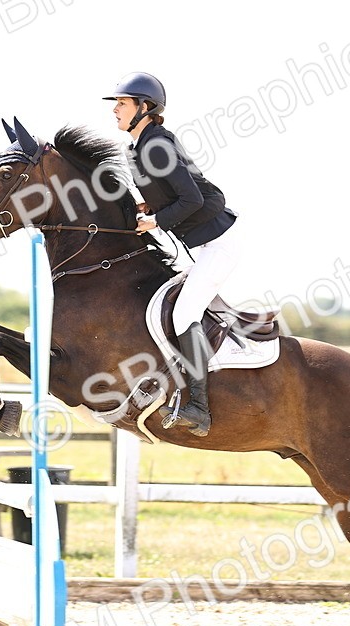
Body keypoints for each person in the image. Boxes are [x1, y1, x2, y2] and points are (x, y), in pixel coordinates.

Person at [104, 71, 241, 437]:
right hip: (201, 248)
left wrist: (156, 222)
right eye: (115, 103)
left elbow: (193, 199)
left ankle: (199, 407)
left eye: (122, 103)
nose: (114, 109)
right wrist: (153, 206)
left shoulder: (155, 146)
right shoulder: (136, 147)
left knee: (183, 315)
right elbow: (173, 192)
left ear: (144, 108)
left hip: (219, 245)